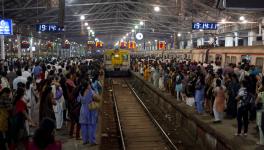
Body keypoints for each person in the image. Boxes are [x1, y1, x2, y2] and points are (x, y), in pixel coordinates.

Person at [256, 79, 264, 145]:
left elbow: (256, 102)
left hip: (261, 112)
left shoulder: (261, 94)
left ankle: (262, 142)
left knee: (261, 126)